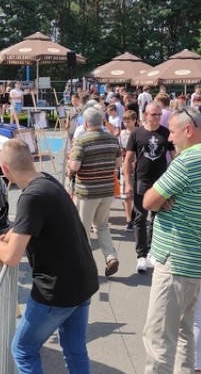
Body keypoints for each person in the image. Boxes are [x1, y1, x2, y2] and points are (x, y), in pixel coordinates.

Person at [0, 139, 99, 374]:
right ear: (30, 160)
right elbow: (23, 231)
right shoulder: (46, 182)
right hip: (82, 283)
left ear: (4, 170)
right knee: (76, 355)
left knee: (22, 350)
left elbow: (11, 255)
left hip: (56, 291)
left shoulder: (31, 198)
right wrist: (3, 240)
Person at [118, 105, 201, 374]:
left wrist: (160, 199)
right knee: (182, 332)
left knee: (158, 336)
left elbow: (148, 199)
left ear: (188, 130)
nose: (170, 140)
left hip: (175, 258)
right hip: (194, 259)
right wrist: (163, 199)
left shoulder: (188, 161)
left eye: (174, 134)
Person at [68, 106, 123, 277]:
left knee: (82, 229)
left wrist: (70, 163)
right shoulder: (113, 140)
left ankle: (84, 266)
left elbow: (75, 166)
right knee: (102, 226)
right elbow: (119, 164)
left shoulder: (82, 141)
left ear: (85, 123)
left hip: (87, 192)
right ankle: (111, 256)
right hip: (106, 190)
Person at [124, 102, 174, 273]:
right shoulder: (136, 133)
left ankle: (153, 250)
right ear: (145, 114)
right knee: (140, 218)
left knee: (157, 218)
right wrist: (128, 183)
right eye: (154, 114)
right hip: (141, 180)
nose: (157, 118)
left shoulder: (166, 133)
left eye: (159, 114)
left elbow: (174, 157)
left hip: (161, 182)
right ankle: (141, 256)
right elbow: (128, 160)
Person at [119, 109, 138, 231]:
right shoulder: (122, 134)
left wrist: (136, 162)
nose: (126, 124)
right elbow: (120, 149)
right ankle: (128, 219)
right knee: (126, 195)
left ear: (135, 121)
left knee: (137, 194)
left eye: (129, 121)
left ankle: (134, 215)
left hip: (137, 165)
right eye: (125, 121)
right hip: (124, 165)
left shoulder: (139, 132)